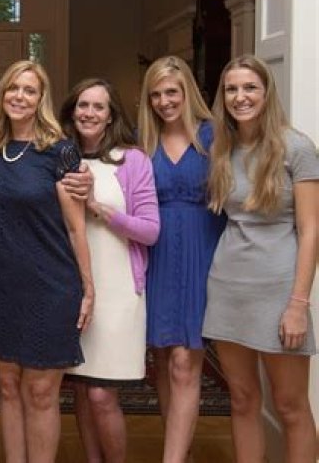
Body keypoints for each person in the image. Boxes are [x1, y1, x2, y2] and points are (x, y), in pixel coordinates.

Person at [0, 60, 94, 462]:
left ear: (41, 100)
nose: (19, 96)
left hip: (49, 286)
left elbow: (76, 228)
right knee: (7, 387)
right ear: (3, 95)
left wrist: (88, 289)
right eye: (13, 88)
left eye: (29, 90)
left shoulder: (60, 151)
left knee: (40, 391)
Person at [203, 54, 318, 462]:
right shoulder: (222, 149)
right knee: (242, 399)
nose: (241, 97)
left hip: (278, 290)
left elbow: (311, 230)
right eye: (232, 89)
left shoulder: (297, 147)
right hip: (227, 287)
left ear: (267, 92)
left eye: (250, 87)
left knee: (290, 405)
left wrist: (298, 305)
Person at [60, 78, 160, 463]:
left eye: (98, 107)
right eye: (82, 105)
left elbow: (150, 231)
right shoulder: (60, 157)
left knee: (102, 394)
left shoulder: (133, 160)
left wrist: (97, 206)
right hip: (71, 288)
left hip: (118, 293)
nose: (89, 113)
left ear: (110, 115)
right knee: (81, 389)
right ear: (72, 112)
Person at [137, 56, 226, 463]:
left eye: (171, 92)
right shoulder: (144, 141)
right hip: (154, 256)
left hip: (201, 253)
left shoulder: (215, 136)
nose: (164, 101)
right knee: (162, 360)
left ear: (188, 91)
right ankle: (181, 454)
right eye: (155, 94)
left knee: (184, 363)